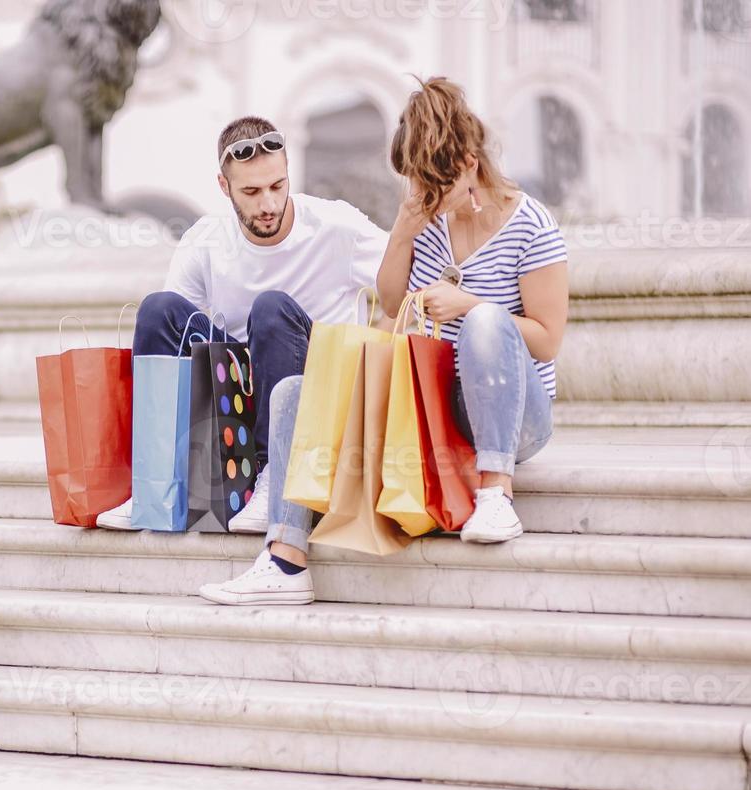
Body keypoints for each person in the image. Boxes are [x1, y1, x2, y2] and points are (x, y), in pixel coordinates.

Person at [200, 76, 569, 606]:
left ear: (469, 164)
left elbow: (547, 340)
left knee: (489, 324)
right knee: (293, 394)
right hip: (440, 409)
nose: (426, 198)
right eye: (415, 185)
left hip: (514, 421)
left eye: (432, 185)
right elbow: (395, 305)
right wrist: (404, 227)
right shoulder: (428, 219)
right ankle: (285, 559)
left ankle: (496, 494)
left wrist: (469, 306)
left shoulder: (531, 225)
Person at [97, 116, 387, 533]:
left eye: (277, 186)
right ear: (224, 186)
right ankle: (154, 483)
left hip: (317, 401)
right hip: (238, 403)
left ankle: (273, 479)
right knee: (159, 309)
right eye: (251, 191)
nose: (268, 204)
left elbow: (406, 283)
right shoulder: (205, 239)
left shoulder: (337, 226)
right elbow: (173, 342)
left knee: (270, 310)